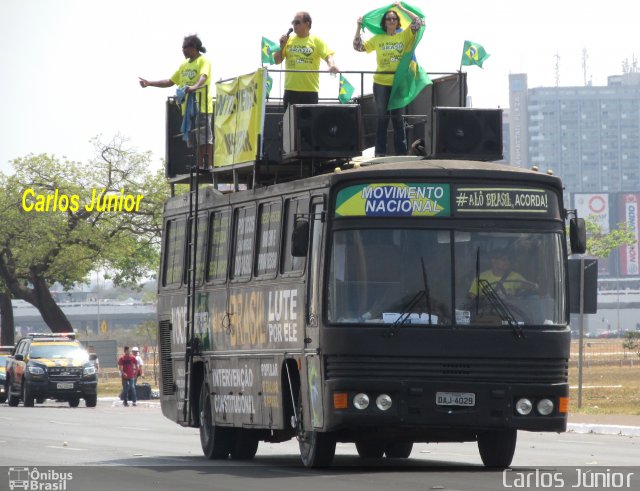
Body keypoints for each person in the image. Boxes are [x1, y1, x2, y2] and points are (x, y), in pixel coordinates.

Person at [353, 2, 424, 156]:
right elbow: (358, 47)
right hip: (381, 83)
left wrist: (401, 8)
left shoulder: (404, 35)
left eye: (394, 19)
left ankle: (401, 152)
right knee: (382, 118)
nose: (391, 21)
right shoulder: (378, 39)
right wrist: (358, 26)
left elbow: (418, 22)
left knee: (398, 119)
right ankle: (380, 152)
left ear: (398, 22)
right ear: (384, 23)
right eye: (388, 19)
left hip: (398, 82)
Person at [139, 34, 213, 169]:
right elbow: (170, 81)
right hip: (188, 108)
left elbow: (203, 76)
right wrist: (149, 83)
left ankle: (207, 164)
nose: (183, 50)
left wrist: (194, 87)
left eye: (185, 47)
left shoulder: (203, 61)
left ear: (194, 47)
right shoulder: (184, 65)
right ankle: (198, 164)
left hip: (201, 106)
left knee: (204, 137)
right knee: (193, 139)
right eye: (182, 48)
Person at [273, 12, 339, 109]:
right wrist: (281, 46)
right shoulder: (288, 40)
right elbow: (276, 60)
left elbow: (328, 56)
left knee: (309, 124)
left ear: (307, 24)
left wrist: (331, 65)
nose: (294, 25)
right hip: (290, 91)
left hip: (310, 91)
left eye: (297, 22)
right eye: (293, 23)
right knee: (290, 123)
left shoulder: (317, 40)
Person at [468, 249, 533, 298]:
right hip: (487, 312)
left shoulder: (515, 276)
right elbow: (472, 296)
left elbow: (526, 285)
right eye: (504, 260)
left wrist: (531, 287)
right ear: (493, 261)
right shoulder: (481, 277)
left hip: (510, 311)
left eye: (508, 260)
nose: (508, 262)